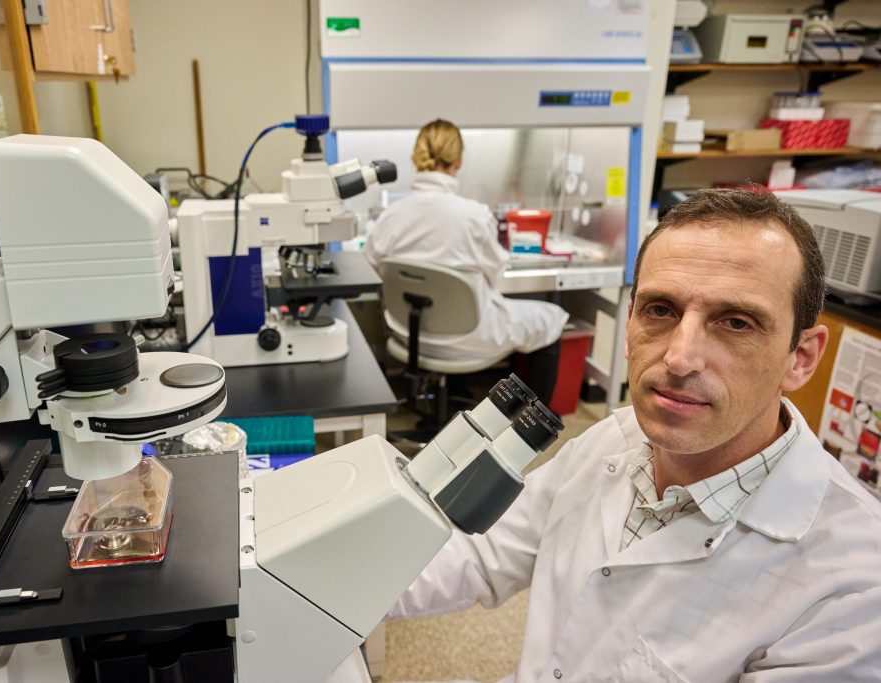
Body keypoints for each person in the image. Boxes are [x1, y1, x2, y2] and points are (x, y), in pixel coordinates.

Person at [389, 188, 881, 681]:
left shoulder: (854, 584)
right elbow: (480, 553)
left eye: (736, 322)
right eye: (660, 310)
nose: (679, 359)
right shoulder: (613, 439)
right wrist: (328, 585)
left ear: (802, 357)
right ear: (628, 325)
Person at [364, 119, 568, 404]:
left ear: (416, 159)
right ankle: (531, 429)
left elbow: (369, 266)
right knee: (551, 319)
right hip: (470, 338)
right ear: (458, 162)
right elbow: (496, 273)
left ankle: (454, 394)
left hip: (409, 336)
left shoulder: (391, 216)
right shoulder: (474, 215)